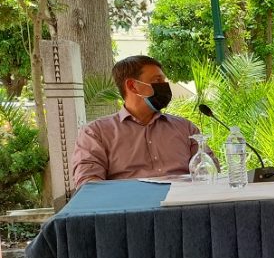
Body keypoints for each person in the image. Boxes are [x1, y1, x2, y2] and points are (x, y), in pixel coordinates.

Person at [71, 55, 213, 187]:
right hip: (128, 204)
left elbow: (210, 175)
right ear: (132, 86)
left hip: (183, 201)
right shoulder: (96, 133)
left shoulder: (185, 128)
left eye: (164, 81)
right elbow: (89, 185)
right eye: (157, 81)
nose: (164, 86)